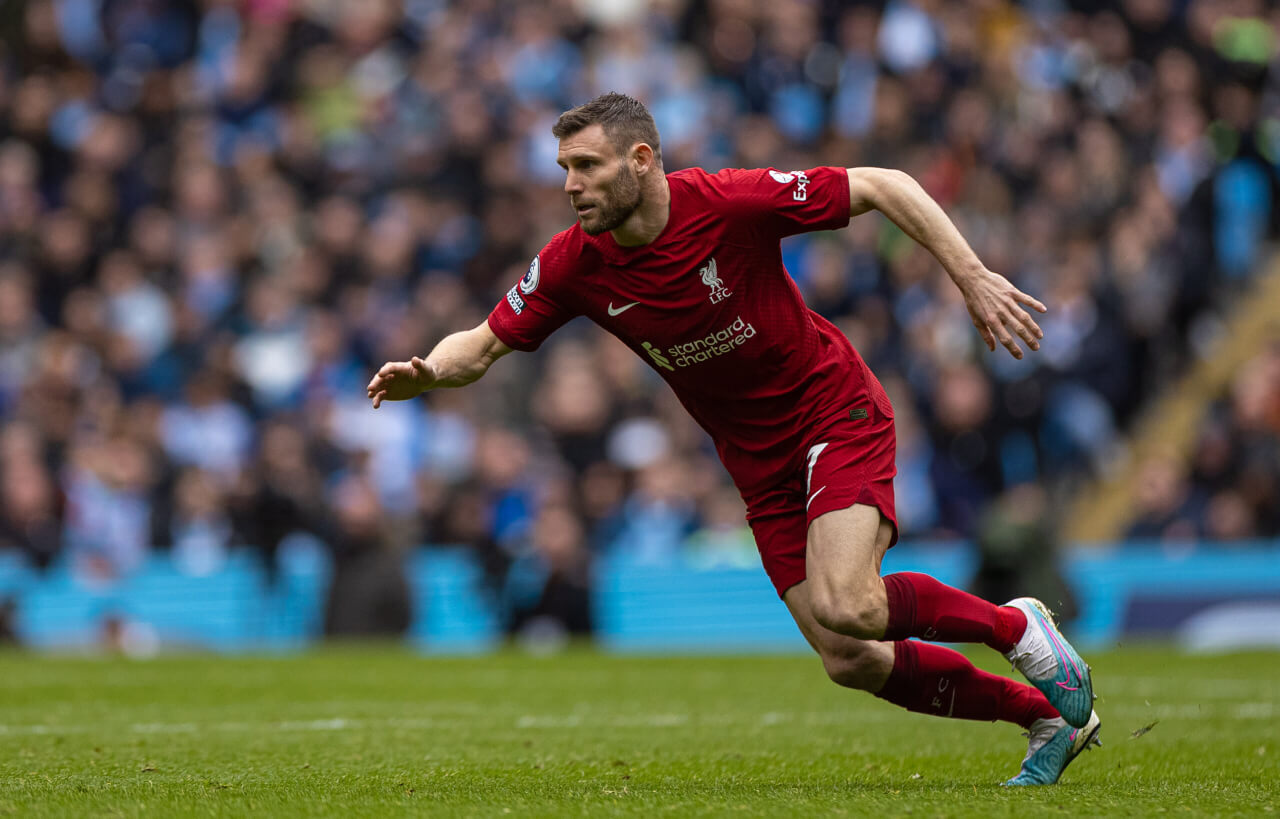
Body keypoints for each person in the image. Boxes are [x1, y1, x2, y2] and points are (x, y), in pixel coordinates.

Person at [367, 93, 1100, 785]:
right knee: (849, 657)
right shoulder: (573, 263)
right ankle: (1042, 719)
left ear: (642, 160)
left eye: (586, 166)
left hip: (831, 410)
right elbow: (485, 341)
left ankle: (1016, 624)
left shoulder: (728, 203)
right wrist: (428, 371)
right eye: (563, 169)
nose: (570, 185)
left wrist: (970, 277)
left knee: (850, 602)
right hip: (758, 465)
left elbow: (883, 183)